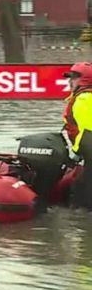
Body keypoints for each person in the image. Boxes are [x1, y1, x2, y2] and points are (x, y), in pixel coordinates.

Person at [62, 62, 92, 210]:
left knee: (82, 196)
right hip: (87, 156)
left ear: (83, 80)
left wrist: (76, 152)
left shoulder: (84, 99)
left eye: (73, 78)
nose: (69, 82)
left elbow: (88, 132)